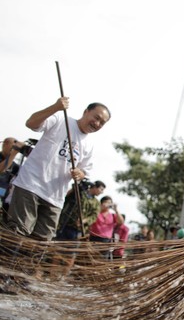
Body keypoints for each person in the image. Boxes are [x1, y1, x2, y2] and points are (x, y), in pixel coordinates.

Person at [6, 98, 111, 241]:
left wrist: (80, 174)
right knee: (17, 233)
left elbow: (84, 171)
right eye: (96, 117)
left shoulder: (89, 145)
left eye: (102, 123)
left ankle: (23, 264)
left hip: (55, 198)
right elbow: (31, 123)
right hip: (30, 186)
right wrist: (55, 107)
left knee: (41, 242)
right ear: (86, 111)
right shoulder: (61, 119)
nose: (97, 123)